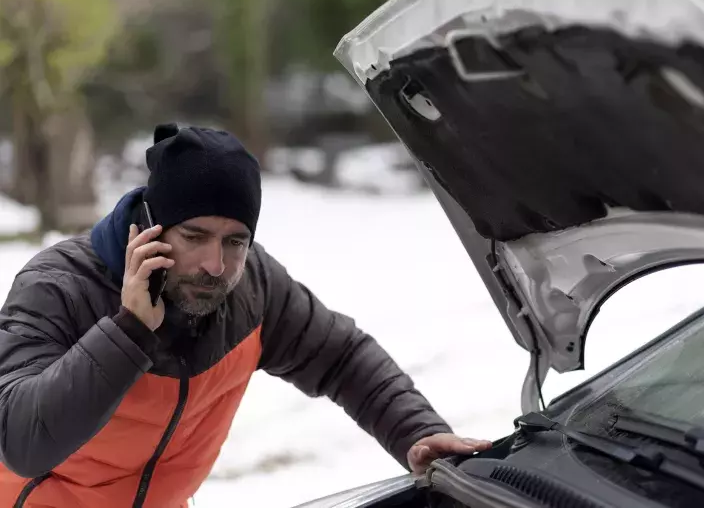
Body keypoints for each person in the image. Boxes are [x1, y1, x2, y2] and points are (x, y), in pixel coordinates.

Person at [0, 123, 491, 508]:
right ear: (149, 228)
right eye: (194, 236)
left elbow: (341, 356)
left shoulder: (251, 288)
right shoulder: (59, 286)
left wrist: (418, 432)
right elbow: (22, 443)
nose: (216, 265)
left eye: (235, 241)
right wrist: (127, 330)